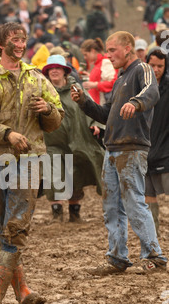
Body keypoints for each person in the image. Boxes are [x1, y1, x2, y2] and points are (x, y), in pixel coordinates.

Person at [0, 22, 64, 304]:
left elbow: (57, 116)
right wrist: (8, 134)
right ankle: (23, 291)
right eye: (14, 39)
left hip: (28, 162)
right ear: (1, 44)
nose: (20, 44)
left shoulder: (37, 79)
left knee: (15, 226)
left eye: (23, 39)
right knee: (2, 228)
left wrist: (47, 111)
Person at [71, 31, 167, 275]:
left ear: (127, 48)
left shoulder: (142, 68)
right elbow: (106, 114)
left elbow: (152, 91)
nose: (108, 55)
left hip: (132, 147)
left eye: (112, 50)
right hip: (112, 148)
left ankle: (154, 256)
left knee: (134, 201)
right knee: (112, 206)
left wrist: (135, 103)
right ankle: (117, 258)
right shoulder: (120, 77)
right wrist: (84, 101)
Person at [42, 54, 105, 223]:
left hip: (78, 138)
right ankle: (57, 213)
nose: (54, 71)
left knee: (76, 174)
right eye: (51, 69)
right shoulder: (43, 91)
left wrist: (95, 124)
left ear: (64, 71)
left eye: (57, 68)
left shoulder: (76, 89)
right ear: (47, 72)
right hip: (52, 140)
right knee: (54, 174)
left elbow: (90, 106)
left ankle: (74, 212)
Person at [145, 48, 169, 236]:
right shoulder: (140, 87)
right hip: (144, 150)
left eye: (160, 66)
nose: (156, 69)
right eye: (152, 65)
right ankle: (153, 232)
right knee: (148, 196)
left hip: (165, 151)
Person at [80, 37, 117, 104]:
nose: (85, 58)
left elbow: (113, 83)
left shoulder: (105, 62)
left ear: (93, 51)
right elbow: (102, 78)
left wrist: (95, 85)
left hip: (102, 104)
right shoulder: (98, 63)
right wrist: (90, 77)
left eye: (86, 54)